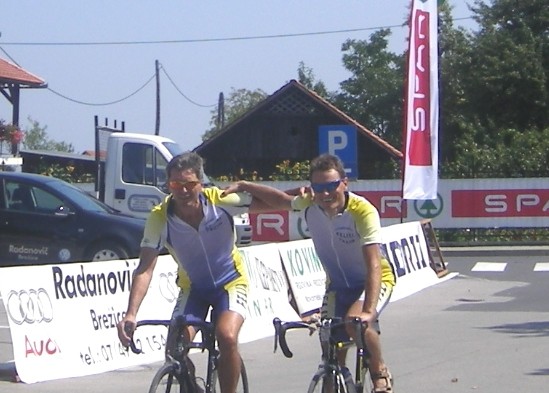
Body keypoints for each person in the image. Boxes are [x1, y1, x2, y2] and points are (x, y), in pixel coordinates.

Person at [222, 153, 395, 393]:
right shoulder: (309, 203)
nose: (325, 194)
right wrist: (244, 185)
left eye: (331, 186)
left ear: (344, 183)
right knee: (330, 345)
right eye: (319, 187)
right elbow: (277, 200)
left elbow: (374, 264)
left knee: (357, 324)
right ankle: (333, 381)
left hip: (374, 279)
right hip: (337, 283)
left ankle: (379, 372)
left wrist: (368, 311)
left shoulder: (362, 211)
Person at [116, 151, 287, 393]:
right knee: (174, 349)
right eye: (176, 184)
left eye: (190, 184)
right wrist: (131, 313)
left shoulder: (220, 200)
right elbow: (145, 269)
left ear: (201, 184)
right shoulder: (159, 217)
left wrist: (247, 185)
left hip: (230, 283)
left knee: (226, 337)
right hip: (193, 288)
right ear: (168, 185)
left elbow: (283, 203)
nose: (183, 191)